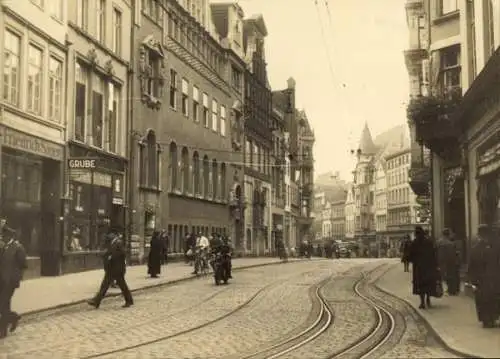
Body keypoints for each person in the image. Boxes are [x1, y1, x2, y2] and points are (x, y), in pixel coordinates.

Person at [88, 232, 133, 309]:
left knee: (122, 285)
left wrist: (111, 256)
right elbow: (109, 252)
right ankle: (96, 301)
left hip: (118, 269)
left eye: (110, 236)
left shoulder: (118, 243)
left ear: (113, 237)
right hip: (112, 269)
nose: (109, 238)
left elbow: (123, 253)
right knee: (105, 285)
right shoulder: (112, 243)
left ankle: (129, 301)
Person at [468, 224, 500, 328]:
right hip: (492, 278)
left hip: (483, 279)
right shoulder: (495, 247)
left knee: (484, 300)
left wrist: (472, 280)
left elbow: (471, 266)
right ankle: (491, 318)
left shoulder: (475, 248)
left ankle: (487, 320)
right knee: (491, 299)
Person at [0, 226, 26, 338]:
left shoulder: (18, 248)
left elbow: (23, 265)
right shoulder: (3, 247)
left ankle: (5, 327)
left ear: (9, 236)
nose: (2, 238)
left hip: (10, 282)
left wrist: (15, 278)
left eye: (4, 236)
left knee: (2, 305)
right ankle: (11, 320)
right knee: (5, 305)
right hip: (2, 280)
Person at [408, 226, 439, 309]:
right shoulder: (429, 242)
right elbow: (433, 254)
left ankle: (422, 302)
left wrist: (414, 261)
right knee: (428, 283)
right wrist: (435, 265)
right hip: (428, 266)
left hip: (419, 267)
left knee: (420, 285)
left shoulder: (414, 243)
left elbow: (410, 256)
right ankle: (428, 299)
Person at [436, 228, 461, 295]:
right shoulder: (450, 243)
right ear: (448, 234)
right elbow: (452, 254)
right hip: (449, 262)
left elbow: (436, 252)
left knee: (443, 275)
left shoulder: (438, 242)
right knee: (450, 275)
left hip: (441, 261)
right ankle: (451, 290)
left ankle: (448, 289)